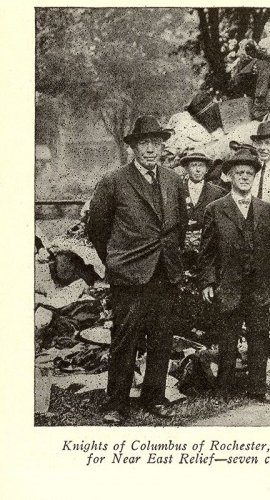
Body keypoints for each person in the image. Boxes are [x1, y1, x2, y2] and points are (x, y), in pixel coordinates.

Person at [87, 115, 187, 424]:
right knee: (125, 339)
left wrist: (169, 257)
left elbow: (179, 226)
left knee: (161, 337)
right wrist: (117, 260)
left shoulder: (172, 179)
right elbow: (97, 230)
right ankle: (116, 403)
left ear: (162, 147)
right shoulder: (113, 181)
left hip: (164, 272)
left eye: (156, 144)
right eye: (145, 144)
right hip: (129, 274)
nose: (150, 150)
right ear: (134, 148)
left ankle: (154, 397)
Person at [197, 149, 270, 403]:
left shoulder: (266, 209)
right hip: (229, 284)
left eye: (249, 173)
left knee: (259, 335)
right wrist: (207, 281)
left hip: (260, 283)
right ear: (229, 177)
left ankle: (257, 388)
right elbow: (206, 253)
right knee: (228, 337)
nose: (245, 177)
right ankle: (224, 390)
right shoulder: (215, 209)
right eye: (239, 173)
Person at [181, 150, 226, 233]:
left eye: (201, 166)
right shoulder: (178, 190)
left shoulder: (217, 193)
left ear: (207, 170)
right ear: (187, 168)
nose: (198, 169)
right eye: (194, 165)